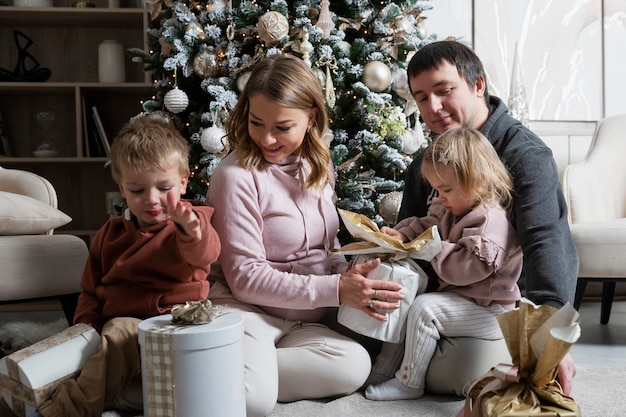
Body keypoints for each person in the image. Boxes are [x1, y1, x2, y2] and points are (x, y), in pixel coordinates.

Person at [206, 53, 404, 417]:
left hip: (300, 320)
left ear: (311, 117)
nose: (266, 138)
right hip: (243, 310)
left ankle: (226, 367)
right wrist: (334, 290)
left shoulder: (318, 163)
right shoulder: (235, 177)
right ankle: (210, 367)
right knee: (254, 401)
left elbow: (324, 247)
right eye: (255, 122)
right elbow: (246, 279)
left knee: (354, 365)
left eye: (282, 127)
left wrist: (361, 263)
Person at [396, 39, 579, 395]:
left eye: (444, 90)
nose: (432, 107)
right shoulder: (424, 163)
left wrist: (548, 329)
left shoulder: (525, 154)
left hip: (497, 310)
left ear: (478, 85)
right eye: (421, 97)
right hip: (438, 299)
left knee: (448, 377)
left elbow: (547, 239)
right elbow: (412, 234)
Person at [32, 115, 221, 417]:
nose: (152, 199)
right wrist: (85, 330)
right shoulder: (109, 234)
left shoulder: (191, 225)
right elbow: (91, 292)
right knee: (60, 355)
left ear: (184, 181)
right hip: (114, 335)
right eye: (137, 190)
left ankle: (59, 412)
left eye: (164, 187)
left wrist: (192, 230)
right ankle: (21, 397)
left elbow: (204, 253)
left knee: (120, 333)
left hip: (170, 328)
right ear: (121, 188)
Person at [364, 127, 522, 400]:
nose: (440, 197)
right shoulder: (456, 205)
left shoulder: (490, 220)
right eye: (436, 190)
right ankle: (384, 367)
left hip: (492, 311)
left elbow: (467, 269)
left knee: (425, 308)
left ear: (479, 178)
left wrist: (433, 248)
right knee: (407, 296)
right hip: (464, 301)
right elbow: (430, 226)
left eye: (446, 189)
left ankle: (409, 382)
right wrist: (405, 234)